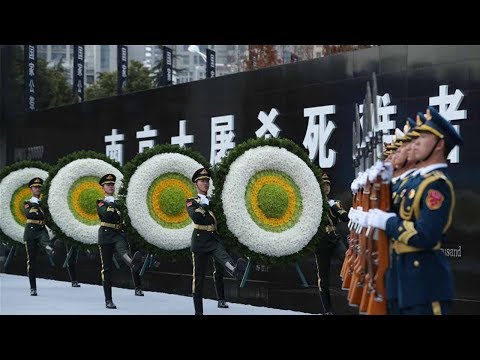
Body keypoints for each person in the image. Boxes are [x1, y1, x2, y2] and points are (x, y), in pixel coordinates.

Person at [367, 106, 463, 315]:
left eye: (425, 136)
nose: (416, 142)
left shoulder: (437, 185)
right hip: (405, 276)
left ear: (440, 144)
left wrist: (387, 222)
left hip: (425, 282)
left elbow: (425, 235)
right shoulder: (417, 181)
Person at [186, 167, 248, 315]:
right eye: (202, 181)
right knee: (198, 279)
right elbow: (196, 217)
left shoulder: (215, 201)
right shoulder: (191, 202)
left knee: (223, 257)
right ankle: (198, 312)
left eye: (207, 181)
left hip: (214, 238)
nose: (205, 183)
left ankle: (235, 270)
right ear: (196, 183)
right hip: (200, 240)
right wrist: (204, 205)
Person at [96, 174, 144, 309]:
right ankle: (108, 300)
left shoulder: (119, 202)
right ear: (103, 187)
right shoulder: (100, 202)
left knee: (124, 251)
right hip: (105, 235)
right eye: (108, 185)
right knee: (107, 269)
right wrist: (114, 204)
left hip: (118, 234)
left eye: (112, 185)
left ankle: (131, 263)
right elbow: (106, 214)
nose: (111, 187)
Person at [314, 172, 349, 315]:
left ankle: (357, 294)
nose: (326, 187)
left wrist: (335, 207)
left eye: (328, 184)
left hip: (334, 239)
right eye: (323, 185)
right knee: (323, 279)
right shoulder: (312, 205)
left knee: (349, 261)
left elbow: (345, 218)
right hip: (320, 243)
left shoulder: (334, 202)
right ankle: (328, 310)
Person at [23, 177, 54, 296]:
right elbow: (30, 213)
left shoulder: (44, 202)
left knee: (47, 245)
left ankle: (49, 247)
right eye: (35, 187)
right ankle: (33, 287)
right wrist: (38, 206)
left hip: (41, 230)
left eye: (39, 187)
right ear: (31, 189)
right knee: (31, 261)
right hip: (31, 232)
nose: (38, 189)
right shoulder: (27, 203)